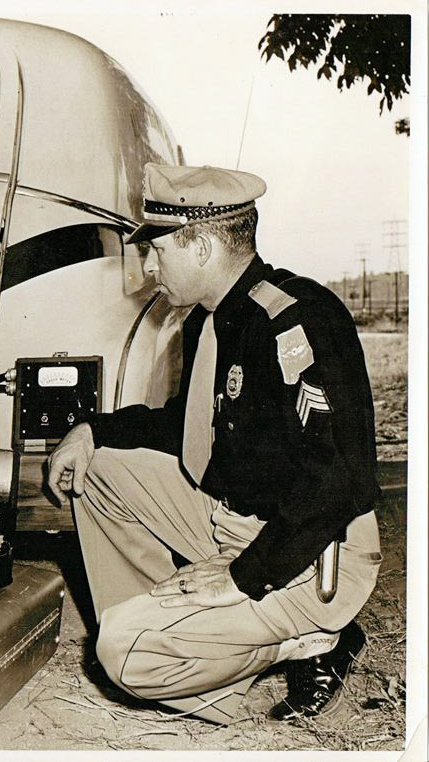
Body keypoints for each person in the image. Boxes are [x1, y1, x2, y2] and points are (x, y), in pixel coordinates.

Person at [47, 163, 382, 723]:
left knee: (119, 652)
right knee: (99, 468)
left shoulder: (295, 320)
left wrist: (241, 577)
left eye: (157, 250)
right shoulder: (209, 321)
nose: (150, 269)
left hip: (310, 550)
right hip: (228, 523)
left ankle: (320, 640)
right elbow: (188, 426)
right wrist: (93, 431)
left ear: (200, 246)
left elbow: (341, 479)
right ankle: (188, 627)